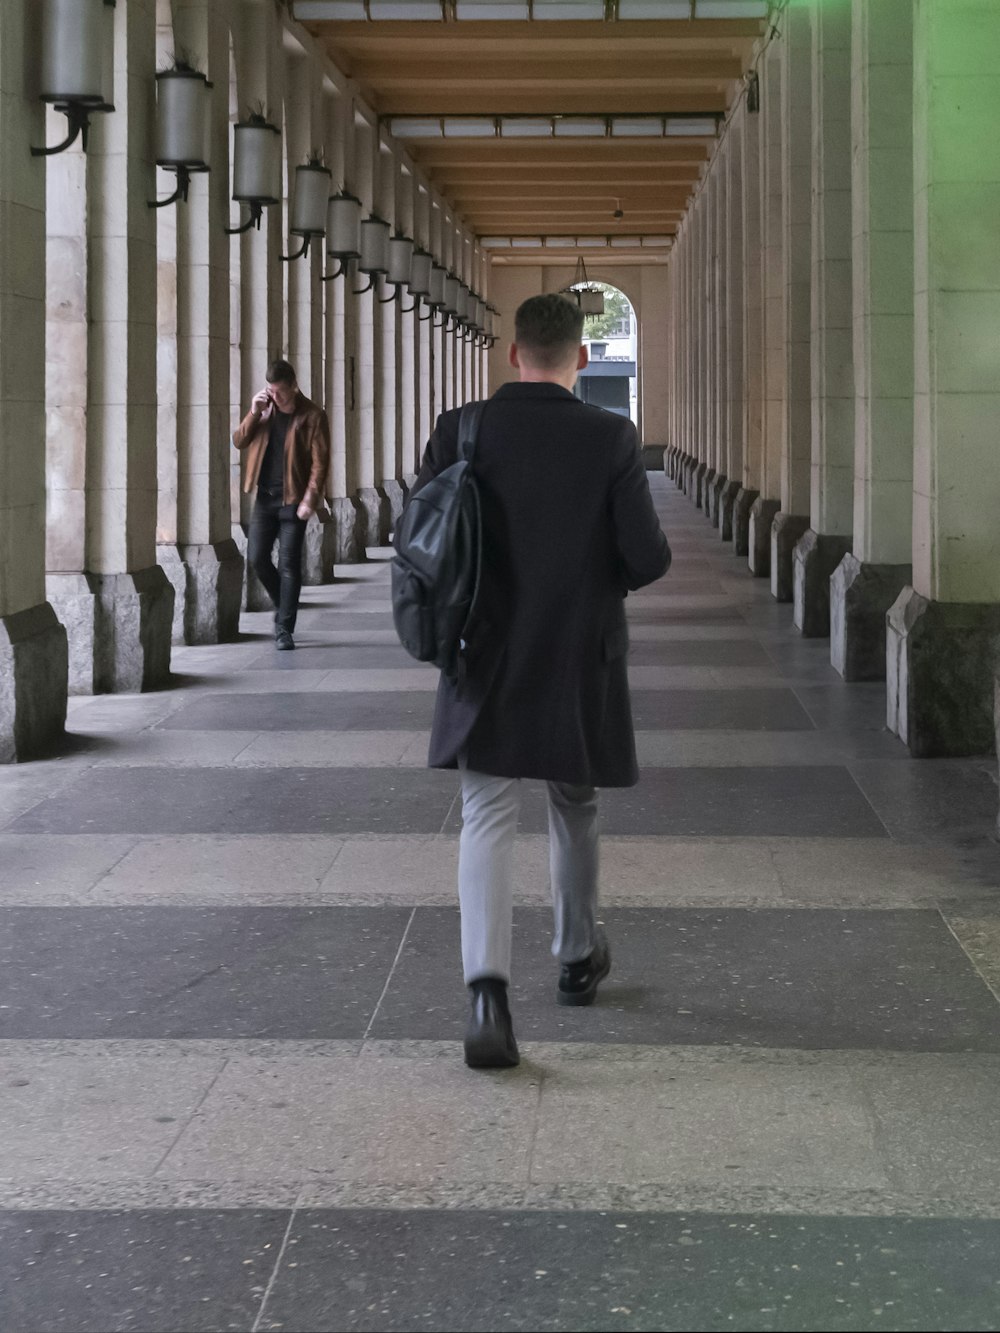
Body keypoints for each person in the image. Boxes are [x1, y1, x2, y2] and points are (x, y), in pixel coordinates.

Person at [409, 293, 671, 1070]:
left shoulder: (462, 429)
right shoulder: (610, 436)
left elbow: (421, 536)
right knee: (574, 800)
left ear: (513, 352)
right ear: (580, 359)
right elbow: (648, 557)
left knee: (486, 806)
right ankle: (575, 954)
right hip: (575, 651)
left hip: (480, 648)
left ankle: (486, 990)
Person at [233, 359, 331, 651]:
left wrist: (309, 501)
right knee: (257, 559)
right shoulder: (264, 411)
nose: (276, 397)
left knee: (289, 564)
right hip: (264, 498)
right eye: (271, 391)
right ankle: (286, 603)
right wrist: (253, 412)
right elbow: (239, 441)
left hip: (293, 501)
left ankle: (284, 629)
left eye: (281, 392)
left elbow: (320, 463)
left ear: (293, 386)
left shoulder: (313, 415)